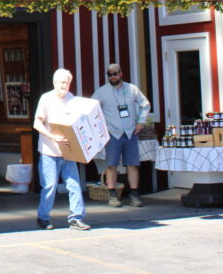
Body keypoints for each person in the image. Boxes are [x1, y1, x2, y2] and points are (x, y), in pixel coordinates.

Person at [32, 68, 91, 231]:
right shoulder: (46, 99)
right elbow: (37, 123)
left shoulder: (72, 99)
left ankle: (76, 218)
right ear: (55, 83)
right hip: (49, 151)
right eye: (62, 82)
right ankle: (43, 217)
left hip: (68, 151)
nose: (64, 85)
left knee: (74, 185)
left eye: (67, 82)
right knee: (50, 186)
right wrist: (53, 136)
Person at [92, 63, 151, 207]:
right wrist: (101, 128)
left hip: (130, 131)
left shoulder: (132, 89)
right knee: (111, 165)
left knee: (132, 164)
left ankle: (134, 195)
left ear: (121, 73)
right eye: (110, 74)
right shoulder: (101, 92)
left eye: (115, 74)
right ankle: (112, 195)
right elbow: (91, 109)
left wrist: (141, 121)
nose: (112, 77)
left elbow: (145, 104)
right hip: (112, 132)